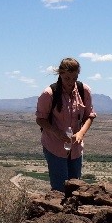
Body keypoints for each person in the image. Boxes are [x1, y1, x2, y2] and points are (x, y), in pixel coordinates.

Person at [35, 57, 96, 191]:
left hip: (75, 148)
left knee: (75, 188)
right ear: (60, 74)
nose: (71, 82)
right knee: (60, 189)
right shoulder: (49, 94)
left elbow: (89, 116)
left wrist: (81, 133)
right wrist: (56, 132)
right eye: (67, 78)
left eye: (74, 78)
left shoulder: (83, 90)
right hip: (54, 146)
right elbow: (40, 119)